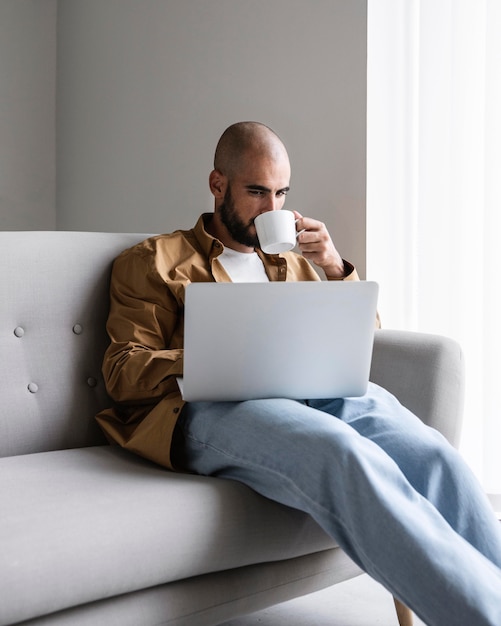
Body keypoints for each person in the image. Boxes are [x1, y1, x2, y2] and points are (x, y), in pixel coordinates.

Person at [97, 121, 501, 625]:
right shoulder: (153, 261)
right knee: (342, 454)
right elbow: (121, 370)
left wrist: (334, 267)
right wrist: (219, 354)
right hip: (215, 406)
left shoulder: (292, 259)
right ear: (217, 184)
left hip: (313, 389)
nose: (274, 209)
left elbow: (364, 336)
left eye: (282, 193)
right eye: (257, 192)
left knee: (433, 455)